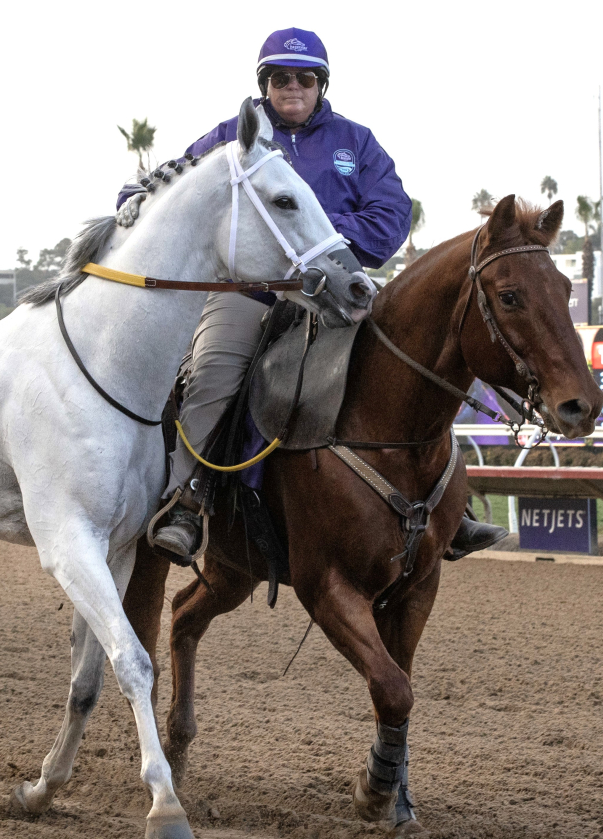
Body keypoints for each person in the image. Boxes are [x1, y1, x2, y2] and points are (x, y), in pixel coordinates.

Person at [118, 27, 506, 562]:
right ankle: (188, 500)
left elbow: (392, 215)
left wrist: (321, 239)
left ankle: (451, 508)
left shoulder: (356, 142)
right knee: (212, 373)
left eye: (304, 78)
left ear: (322, 84)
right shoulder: (233, 137)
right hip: (251, 293)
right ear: (265, 84)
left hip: (338, 287)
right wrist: (135, 196)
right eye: (280, 78)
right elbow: (165, 186)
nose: (292, 87)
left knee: (413, 366)